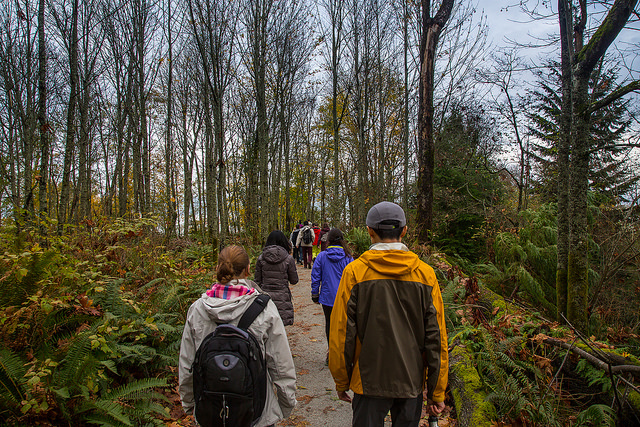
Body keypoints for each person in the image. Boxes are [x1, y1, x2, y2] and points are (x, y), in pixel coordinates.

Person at [328, 201, 448, 427]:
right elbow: (436, 338)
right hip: (411, 382)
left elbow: (342, 334)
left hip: (368, 382)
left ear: (369, 231)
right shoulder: (425, 275)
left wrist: (341, 380)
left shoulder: (354, 273)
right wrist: (436, 391)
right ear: (404, 230)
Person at [179, 245, 297, 427]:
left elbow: (187, 364)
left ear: (217, 268)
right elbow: (281, 364)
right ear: (248, 270)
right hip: (256, 413)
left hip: (211, 411)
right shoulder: (263, 308)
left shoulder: (198, 309)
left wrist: (191, 405)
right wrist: (285, 404)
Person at [310, 228, 353, 363]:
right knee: (344, 325)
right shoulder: (348, 257)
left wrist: (315, 294)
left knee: (329, 323)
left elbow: (316, 275)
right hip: (344, 298)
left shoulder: (322, 256)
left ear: (328, 240)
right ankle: (343, 353)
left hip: (327, 298)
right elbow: (353, 279)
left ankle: (331, 352)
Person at [255, 230, 299, 326]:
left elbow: (257, 281)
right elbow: (294, 280)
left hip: (265, 298)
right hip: (282, 298)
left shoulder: (261, 258)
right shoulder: (288, 259)